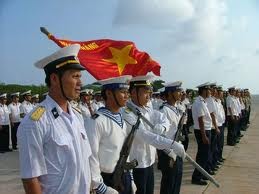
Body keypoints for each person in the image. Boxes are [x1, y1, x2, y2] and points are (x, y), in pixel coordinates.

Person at [17, 44, 92, 194]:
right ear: (54, 79)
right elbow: (31, 179)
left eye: (80, 76)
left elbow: (84, 162)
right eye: (74, 76)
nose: (80, 83)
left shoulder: (77, 116)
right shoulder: (35, 122)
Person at [122, 75, 186, 194]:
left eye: (149, 92)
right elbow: (144, 135)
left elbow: (162, 117)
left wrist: (163, 126)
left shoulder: (146, 109)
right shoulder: (127, 113)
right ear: (133, 92)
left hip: (149, 162)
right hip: (137, 165)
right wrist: (171, 144)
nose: (149, 95)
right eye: (145, 92)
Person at [158, 81, 184, 194]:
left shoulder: (176, 108)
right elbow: (160, 136)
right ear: (169, 93)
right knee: (169, 183)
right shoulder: (164, 110)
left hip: (177, 149)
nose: (180, 93)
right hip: (168, 152)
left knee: (177, 181)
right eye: (177, 91)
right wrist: (169, 152)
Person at [191, 82, 212, 185]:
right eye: (208, 90)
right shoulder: (199, 102)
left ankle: (202, 174)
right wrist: (204, 136)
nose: (210, 92)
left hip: (204, 130)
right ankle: (196, 177)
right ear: (204, 91)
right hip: (202, 131)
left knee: (204, 155)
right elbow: (201, 120)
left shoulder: (203, 101)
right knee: (202, 156)